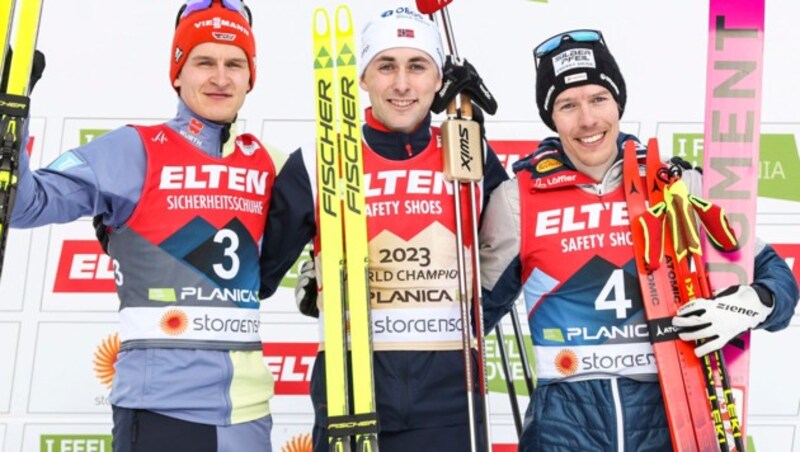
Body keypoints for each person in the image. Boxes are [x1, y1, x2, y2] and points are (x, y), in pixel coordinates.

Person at [478, 29, 799, 451]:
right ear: (551, 116)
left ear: (618, 103)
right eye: (567, 105)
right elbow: (470, 316)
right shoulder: (517, 198)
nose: (587, 119)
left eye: (598, 99)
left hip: (672, 411)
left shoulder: (675, 182)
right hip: (565, 425)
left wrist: (746, 305)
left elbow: (779, 279)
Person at [11, 1, 278, 451]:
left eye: (235, 63)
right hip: (160, 410)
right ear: (177, 72)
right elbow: (25, 205)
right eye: (203, 62)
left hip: (248, 414)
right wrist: (11, 119)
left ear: (251, 77)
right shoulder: (134, 150)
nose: (220, 77)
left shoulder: (271, 161)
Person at [258, 5, 506, 452]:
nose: (402, 84)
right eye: (386, 66)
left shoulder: (469, 154)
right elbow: (257, 270)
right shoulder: (319, 159)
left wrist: (480, 310)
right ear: (363, 77)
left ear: (437, 79)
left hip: (452, 401)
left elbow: (513, 247)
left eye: (417, 66)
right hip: (350, 394)